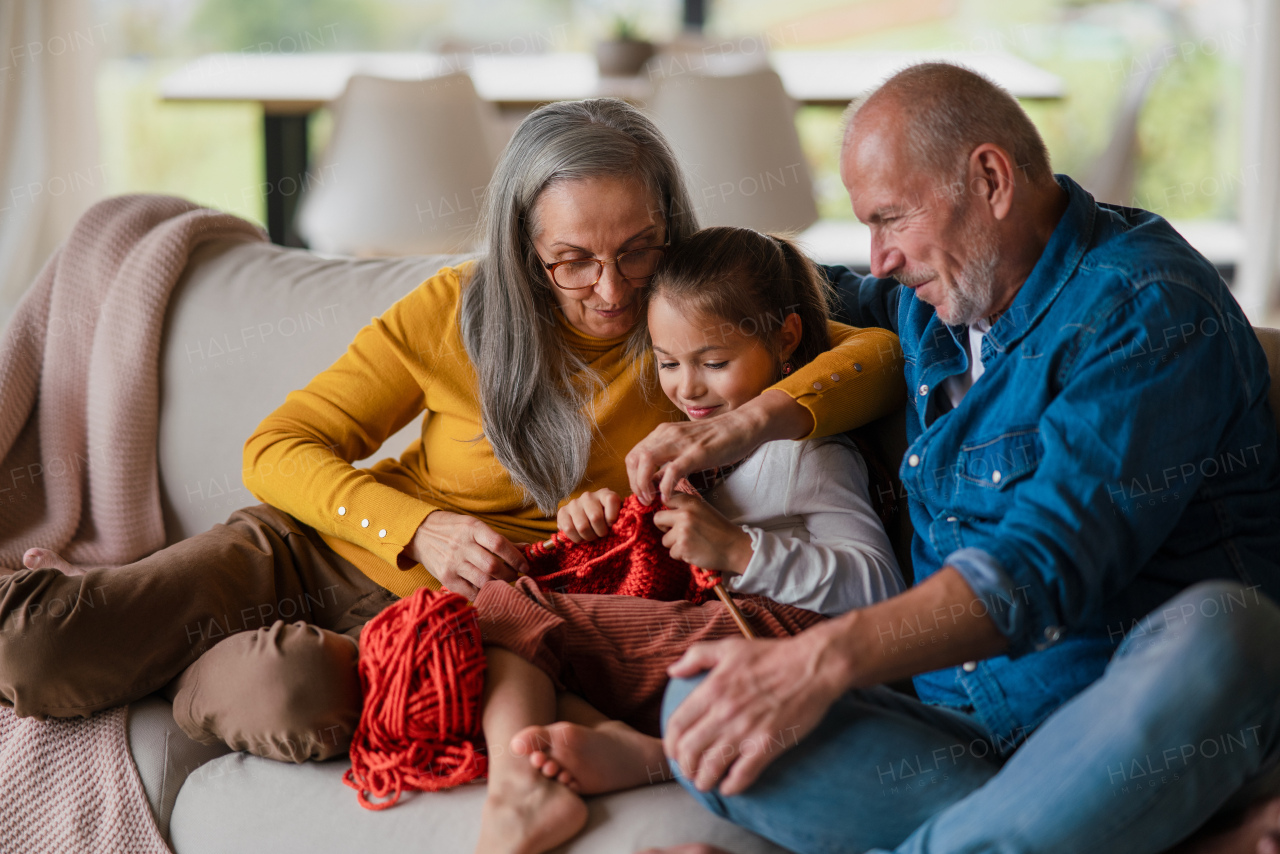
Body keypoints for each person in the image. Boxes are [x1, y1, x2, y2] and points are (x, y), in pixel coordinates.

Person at [0, 98, 905, 763]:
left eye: (639, 248)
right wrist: (418, 529)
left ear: (671, 225)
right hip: (315, 550)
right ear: (523, 250)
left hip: (438, 625)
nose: (613, 289)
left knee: (291, 699)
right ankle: (157, 640)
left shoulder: (689, 333)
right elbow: (276, 448)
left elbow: (877, 357)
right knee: (38, 653)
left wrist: (734, 431)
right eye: (572, 261)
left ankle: (174, 662)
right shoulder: (450, 312)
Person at [648, 63, 1280, 854]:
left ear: (989, 179)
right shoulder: (933, 295)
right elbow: (764, 302)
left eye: (891, 219)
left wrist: (819, 662)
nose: (877, 258)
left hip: (1128, 730)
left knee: (1228, 633)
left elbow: (1038, 570)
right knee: (702, 704)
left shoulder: (1148, 307)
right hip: (965, 746)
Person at [471, 226, 905, 854]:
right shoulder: (695, 437)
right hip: (716, 621)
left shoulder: (809, 451)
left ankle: (520, 793)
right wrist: (597, 515)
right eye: (669, 362)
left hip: (787, 638)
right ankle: (642, 752)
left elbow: (880, 587)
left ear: (785, 337)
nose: (688, 388)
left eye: (714, 362)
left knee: (503, 611)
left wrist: (738, 552)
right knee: (516, 644)